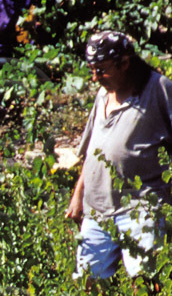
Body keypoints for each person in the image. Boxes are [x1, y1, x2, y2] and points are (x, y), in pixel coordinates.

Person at [65, 31, 172, 281]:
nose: (95, 77)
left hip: (141, 207)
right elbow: (93, 149)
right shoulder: (103, 94)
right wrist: (78, 194)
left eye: (101, 70)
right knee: (89, 283)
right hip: (97, 209)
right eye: (92, 70)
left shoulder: (158, 89)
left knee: (145, 282)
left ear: (124, 63)